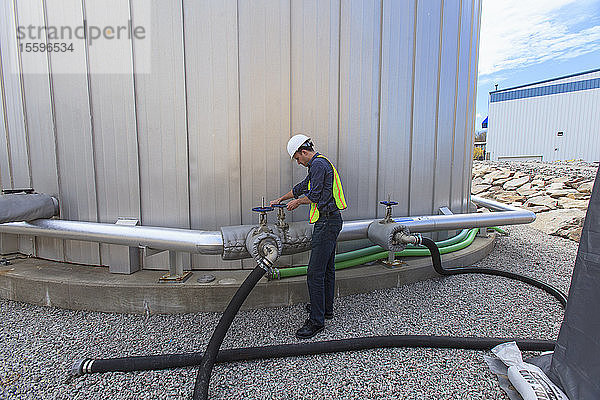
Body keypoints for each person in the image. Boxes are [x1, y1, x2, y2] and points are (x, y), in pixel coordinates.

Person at [271, 134, 347, 339]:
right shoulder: (319, 164)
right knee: (327, 269)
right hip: (331, 221)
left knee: (314, 273)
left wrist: (296, 203)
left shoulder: (318, 166)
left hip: (326, 223)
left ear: (303, 152)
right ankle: (325, 309)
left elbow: (316, 195)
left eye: (297, 158)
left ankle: (316, 321)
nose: (297, 161)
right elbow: (303, 186)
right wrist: (282, 198)